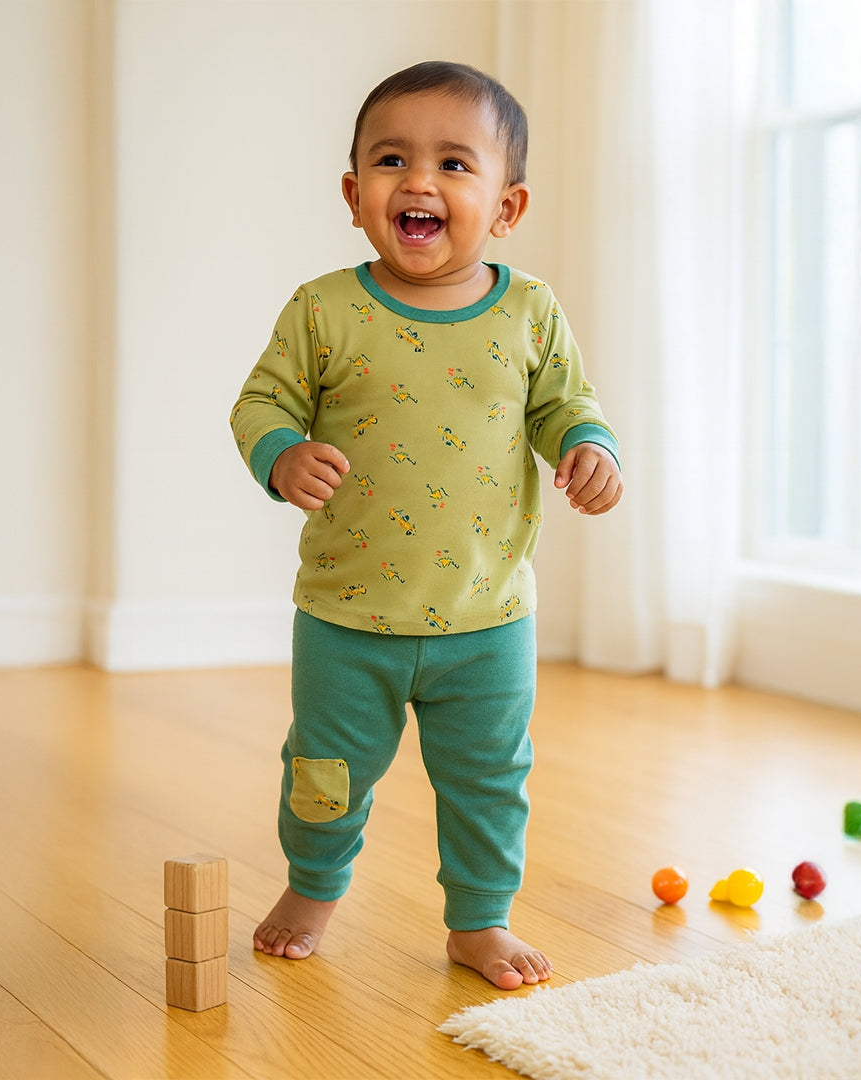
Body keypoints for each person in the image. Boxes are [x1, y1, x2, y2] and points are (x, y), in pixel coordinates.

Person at [230, 60, 622, 990]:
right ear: (353, 194)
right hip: (345, 617)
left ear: (507, 205)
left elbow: (567, 404)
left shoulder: (530, 311)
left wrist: (591, 447)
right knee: (324, 770)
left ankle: (480, 921)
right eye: (392, 160)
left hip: (487, 618)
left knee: (488, 782)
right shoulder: (324, 309)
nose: (418, 182)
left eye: (454, 164)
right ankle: (313, 885)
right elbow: (260, 404)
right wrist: (282, 454)